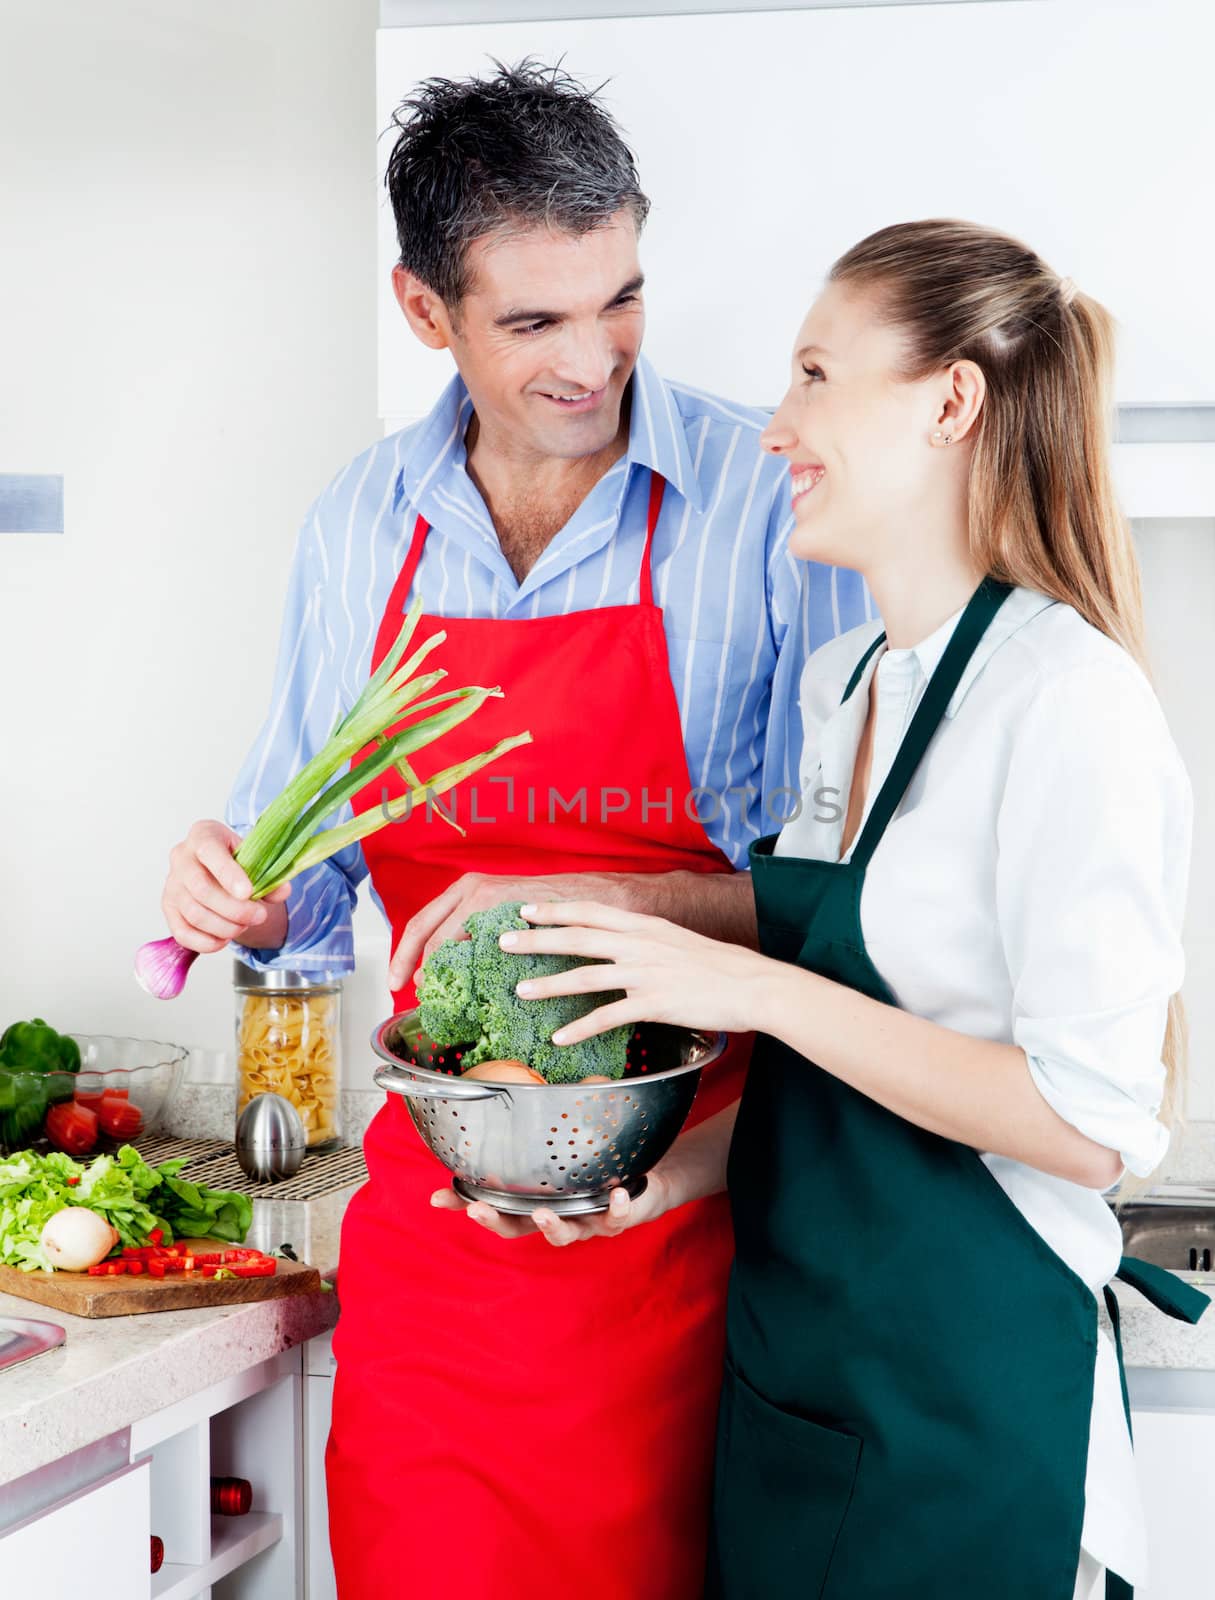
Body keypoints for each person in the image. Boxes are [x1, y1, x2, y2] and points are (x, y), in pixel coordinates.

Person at [156, 61, 868, 1599]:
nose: (593, 357)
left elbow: (843, 900)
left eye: (620, 298)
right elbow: (316, 881)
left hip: (698, 1212)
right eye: (534, 321)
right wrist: (244, 893)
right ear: (428, 313)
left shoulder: (770, 501)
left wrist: (582, 899)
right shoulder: (362, 522)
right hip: (437, 1239)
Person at [468, 220, 1210, 1600]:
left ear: (952, 402)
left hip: (962, 1427)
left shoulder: (1066, 702)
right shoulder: (851, 682)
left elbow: (1091, 1121)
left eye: (815, 375)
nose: (776, 428)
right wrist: (651, 1178)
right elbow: (845, 1079)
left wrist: (742, 984)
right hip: (800, 1399)